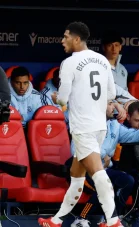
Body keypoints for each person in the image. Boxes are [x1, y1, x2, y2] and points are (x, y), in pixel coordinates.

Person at [38, 21, 123, 227]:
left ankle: (113, 222)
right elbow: (111, 93)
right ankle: (56, 220)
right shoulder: (102, 60)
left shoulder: (69, 62)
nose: (62, 40)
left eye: (66, 37)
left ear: (77, 39)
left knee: (98, 174)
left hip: (82, 126)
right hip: (99, 125)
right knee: (76, 176)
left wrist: (58, 97)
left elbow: (63, 98)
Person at [69, 101, 139, 227]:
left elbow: (133, 135)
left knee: (128, 180)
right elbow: (75, 151)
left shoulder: (114, 125)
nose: (114, 107)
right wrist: (102, 154)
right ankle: (80, 219)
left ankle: (112, 219)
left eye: (113, 103)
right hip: (84, 170)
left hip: (103, 169)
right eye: (110, 104)